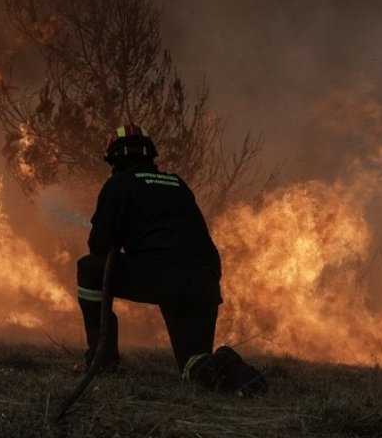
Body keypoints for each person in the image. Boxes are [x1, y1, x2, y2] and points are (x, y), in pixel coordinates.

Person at [75, 123, 265, 396]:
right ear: (150, 155)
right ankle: (232, 370)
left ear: (114, 159)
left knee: (89, 269)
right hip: (204, 281)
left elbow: (98, 247)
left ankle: (102, 360)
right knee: (193, 365)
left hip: (162, 275)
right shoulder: (177, 183)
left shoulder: (118, 184)